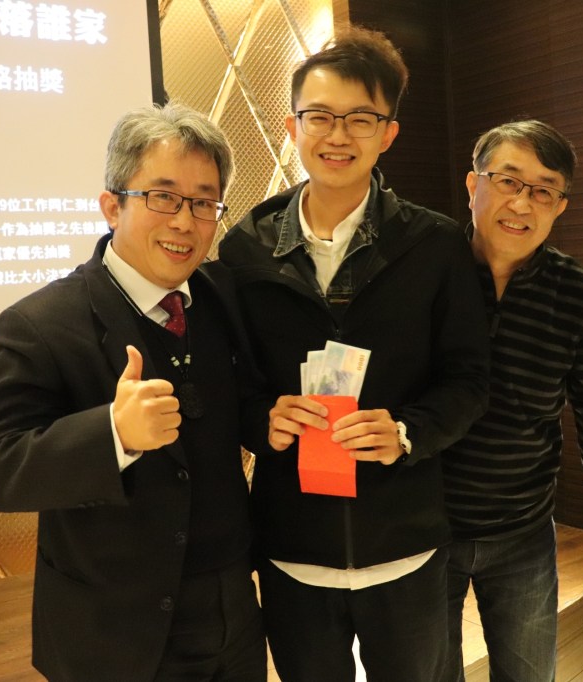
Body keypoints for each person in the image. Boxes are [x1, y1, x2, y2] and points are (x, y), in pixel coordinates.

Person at [218, 27, 491, 682]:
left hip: (405, 545)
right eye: (319, 116)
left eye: (360, 119)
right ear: (292, 126)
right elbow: (234, 382)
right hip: (293, 548)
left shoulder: (435, 245)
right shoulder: (246, 248)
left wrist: (406, 432)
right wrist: (262, 421)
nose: (337, 136)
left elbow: (469, 380)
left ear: (388, 133)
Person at [0, 102, 267, 681]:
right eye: (163, 197)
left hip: (232, 609)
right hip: (113, 630)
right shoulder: (39, 324)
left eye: (203, 202)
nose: (184, 222)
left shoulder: (221, 295)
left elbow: (238, 402)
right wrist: (113, 434)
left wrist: (272, 418)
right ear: (112, 206)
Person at [443, 119, 583, 682]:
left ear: (560, 206)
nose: (522, 203)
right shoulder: (424, 275)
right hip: (422, 528)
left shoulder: (582, 298)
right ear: (473, 185)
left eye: (544, 190)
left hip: (522, 531)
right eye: (508, 180)